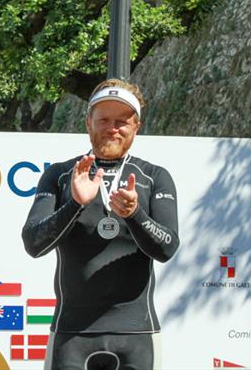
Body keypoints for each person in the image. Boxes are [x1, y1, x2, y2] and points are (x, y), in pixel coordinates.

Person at [22, 79, 179, 370]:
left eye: (122, 121)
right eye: (104, 119)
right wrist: (75, 204)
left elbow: (167, 248)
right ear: (88, 123)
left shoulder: (154, 176)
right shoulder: (60, 175)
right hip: (72, 335)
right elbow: (33, 242)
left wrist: (134, 215)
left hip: (137, 335)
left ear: (136, 126)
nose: (112, 128)